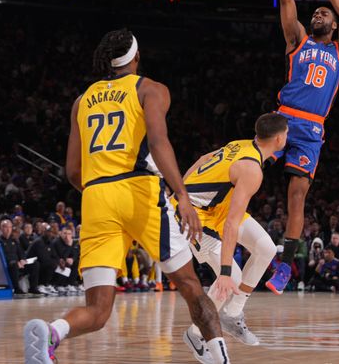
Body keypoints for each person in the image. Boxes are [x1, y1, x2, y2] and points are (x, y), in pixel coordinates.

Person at [24, 29, 230, 364]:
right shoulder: (150, 88)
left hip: (95, 196)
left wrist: (101, 193)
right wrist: (182, 195)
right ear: (136, 57)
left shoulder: (82, 100)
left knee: (98, 309)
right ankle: (220, 357)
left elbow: (73, 172)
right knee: (190, 285)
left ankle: (52, 332)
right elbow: (160, 142)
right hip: (139, 190)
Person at [260, 0, 339, 294]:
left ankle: (285, 267)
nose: (318, 14)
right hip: (283, 119)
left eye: (323, 14)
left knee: (296, 196)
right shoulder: (297, 41)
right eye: (316, 11)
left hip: (312, 129)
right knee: (247, 170)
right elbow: (286, 0)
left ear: (332, 27)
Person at [182, 113, 288, 347]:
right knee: (232, 277)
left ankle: (232, 315)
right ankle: (196, 334)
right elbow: (231, 223)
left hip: (216, 208)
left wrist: (182, 185)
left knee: (266, 248)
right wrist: (226, 270)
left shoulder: (241, 144)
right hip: (193, 217)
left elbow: (202, 158)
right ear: (279, 139)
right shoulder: (252, 171)